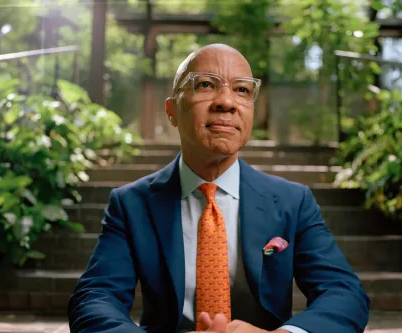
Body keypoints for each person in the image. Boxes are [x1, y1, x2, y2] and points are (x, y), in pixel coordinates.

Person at [67, 44, 370, 333]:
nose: (226, 102)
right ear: (172, 110)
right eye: (206, 85)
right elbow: (96, 298)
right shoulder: (131, 204)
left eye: (242, 90)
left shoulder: (293, 201)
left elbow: (343, 293)